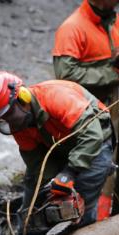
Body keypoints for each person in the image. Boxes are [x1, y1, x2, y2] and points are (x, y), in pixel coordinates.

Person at [0, 71, 114, 235]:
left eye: (9, 115)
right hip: (58, 147)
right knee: (32, 204)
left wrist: (68, 174)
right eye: (2, 120)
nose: (9, 122)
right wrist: (49, 189)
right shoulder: (19, 125)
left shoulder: (56, 97)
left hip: (95, 144)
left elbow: (92, 136)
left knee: (80, 205)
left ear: (23, 98)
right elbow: (37, 164)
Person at [53, 0, 119, 217]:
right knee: (96, 175)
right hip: (88, 118)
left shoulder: (113, 21)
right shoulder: (72, 28)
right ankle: (94, 233)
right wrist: (111, 73)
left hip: (113, 110)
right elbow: (66, 76)